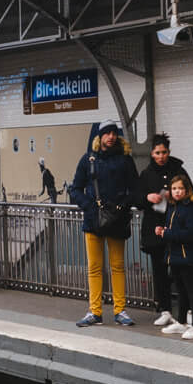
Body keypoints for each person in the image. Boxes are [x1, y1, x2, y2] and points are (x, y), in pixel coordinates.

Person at [67, 122, 138, 327]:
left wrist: (120, 207)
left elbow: (134, 189)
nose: (111, 136)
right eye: (107, 133)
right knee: (95, 267)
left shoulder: (125, 161)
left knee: (117, 266)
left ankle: (119, 310)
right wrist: (90, 206)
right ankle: (95, 311)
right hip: (94, 219)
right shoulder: (88, 160)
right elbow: (75, 188)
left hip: (116, 219)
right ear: (100, 137)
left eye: (114, 133)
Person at [135, 134, 188, 329]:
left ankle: (185, 310)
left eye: (164, 152)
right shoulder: (146, 174)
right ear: (151, 153)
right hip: (154, 228)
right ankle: (165, 309)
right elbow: (136, 197)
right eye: (157, 152)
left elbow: (188, 191)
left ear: (169, 152)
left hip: (176, 227)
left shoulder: (178, 170)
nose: (161, 156)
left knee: (180, 270)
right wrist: (148, 197)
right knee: (159, 271)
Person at [157, 175, 193, 338]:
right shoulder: (173, 206)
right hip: (175, 255)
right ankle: (181, 322)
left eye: (181, 188)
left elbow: (192, 233)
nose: (177, 192)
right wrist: (163, 231)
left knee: (192, 291)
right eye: (174, 189)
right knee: (180, 290)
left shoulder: (191, 208)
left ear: (187, 190)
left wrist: (168, 233)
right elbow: (172, 228)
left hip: (188, 255)